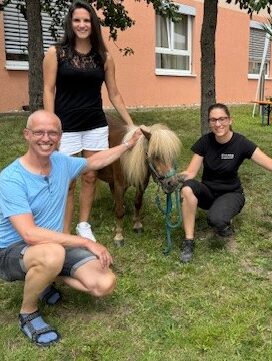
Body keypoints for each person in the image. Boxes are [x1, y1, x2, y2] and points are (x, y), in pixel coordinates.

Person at [0, 110, 141, 346]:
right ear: (27, 135)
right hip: (11, 251)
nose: (46, 138)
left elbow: (95, 161)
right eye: (39, 132)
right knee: (52, 254)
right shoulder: (11, 178)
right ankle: (28, 312)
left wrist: (126, 145)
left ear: (60, 137)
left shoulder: (61, 162)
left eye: (52, 133)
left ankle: (44, 278)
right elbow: (29, 234)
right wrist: (86, 241)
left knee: (104, 283)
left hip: (52, 246)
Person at [43, 0, 134, 242]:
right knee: (68, 181)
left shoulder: (103, 56)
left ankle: (83, 225)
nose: (82, 25)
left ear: (93, 24)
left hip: (95, 125)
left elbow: (114, 92)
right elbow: (48, 89)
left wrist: (131, 124)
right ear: (70, 23)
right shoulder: (56, 53)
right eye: (77, 20)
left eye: (86, 20)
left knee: (91, 176)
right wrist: (51, 125)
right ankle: (63, 231)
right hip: (66, 127)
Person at [179, 103, 272, 263]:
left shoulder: (241, 143)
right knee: (187, 188)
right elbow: (191, 173)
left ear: (230, 120)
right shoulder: (205, 141)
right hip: (208, 192)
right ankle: (189, 241)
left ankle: (223, 220)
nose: (218, 124)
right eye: (213, 120)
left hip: (231, 193)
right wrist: (172, 177)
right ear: (209, 122)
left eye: (222, 119)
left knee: (215, 219)